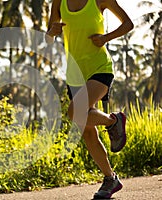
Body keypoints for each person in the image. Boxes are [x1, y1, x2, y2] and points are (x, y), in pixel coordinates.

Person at [46, 0, 134, 199]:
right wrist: (51, 32)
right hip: (75, 72)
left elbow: (128, 24)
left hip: (99, 67)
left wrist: (105, 38)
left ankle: (114, 120)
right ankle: (110, 179)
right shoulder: (58, 2)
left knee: (74, 112)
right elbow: (49, 38)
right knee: (87, 131)